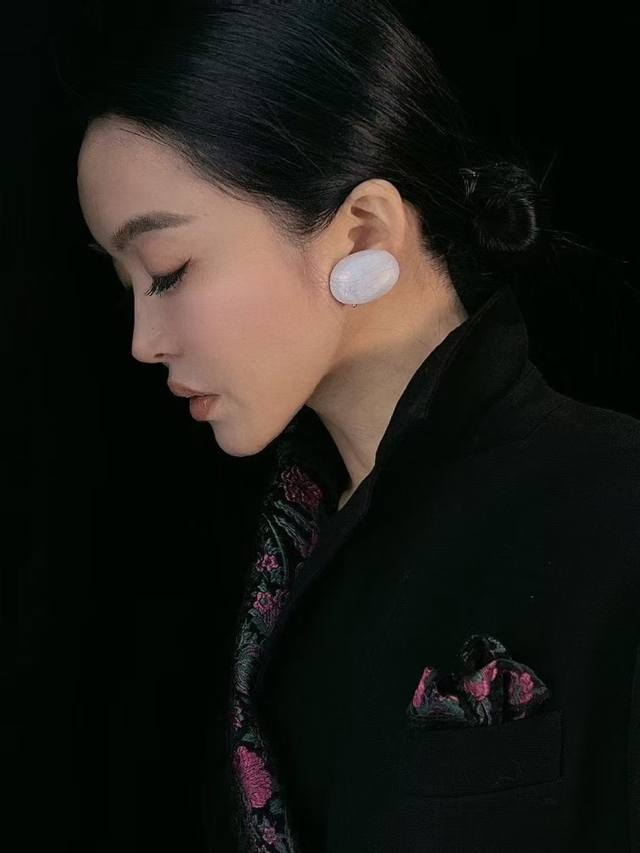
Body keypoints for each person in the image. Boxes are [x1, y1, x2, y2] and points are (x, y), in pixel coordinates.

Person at [72, 2, 640, 851]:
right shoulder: (259, 561)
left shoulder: (614, 507)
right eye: (127, 286)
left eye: (167, 269)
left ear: (363, 229)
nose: (143, 341)